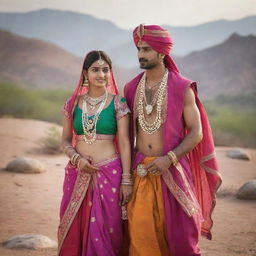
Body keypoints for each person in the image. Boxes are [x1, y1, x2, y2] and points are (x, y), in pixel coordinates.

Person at [124, 24, 222, 256]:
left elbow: (196, 132)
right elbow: (124, 136)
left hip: (172, 169)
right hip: (141, 172)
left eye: (146, 50)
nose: (140, 55)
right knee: (141, 235)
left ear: (162, 52)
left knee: (180, 236)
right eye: (138, 49)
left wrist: (169, 158)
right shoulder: (131, 88)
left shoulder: (181, 87)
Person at [58, 50, 132, 256]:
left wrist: (127, 180)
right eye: (96, 69)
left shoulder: (119, 103)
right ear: (85, 73)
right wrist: (76, 158)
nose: (101, 74)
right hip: (78, 172)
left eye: (106, 70)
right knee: (74, 226)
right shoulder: (73, 104)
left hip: (110, 173)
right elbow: (64, 140)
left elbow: (125, 143)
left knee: (110, 229)